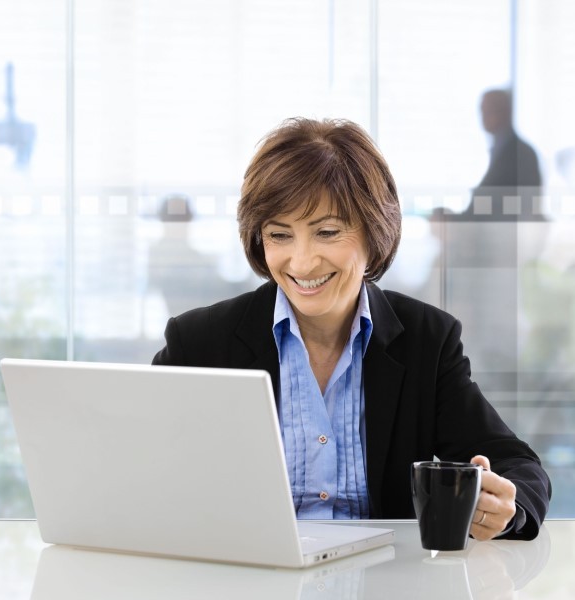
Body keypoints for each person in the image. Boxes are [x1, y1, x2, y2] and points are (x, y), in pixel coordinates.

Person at [152, 117, 551, 541]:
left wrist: (505, 508)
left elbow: (518, 469)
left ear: (374, 232)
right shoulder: (198, 342)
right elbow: (131, 463)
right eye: (279, 235)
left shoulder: (426, 340)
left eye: (326, 232)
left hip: (385, 580)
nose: (302, 263)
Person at [463, 88, 542, 221]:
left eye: (489, 110)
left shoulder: (522, 154)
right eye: (482, 110)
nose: (483, 116)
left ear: (506, 111)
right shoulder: (499, 149)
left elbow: (526, 206)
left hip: (505, 236)